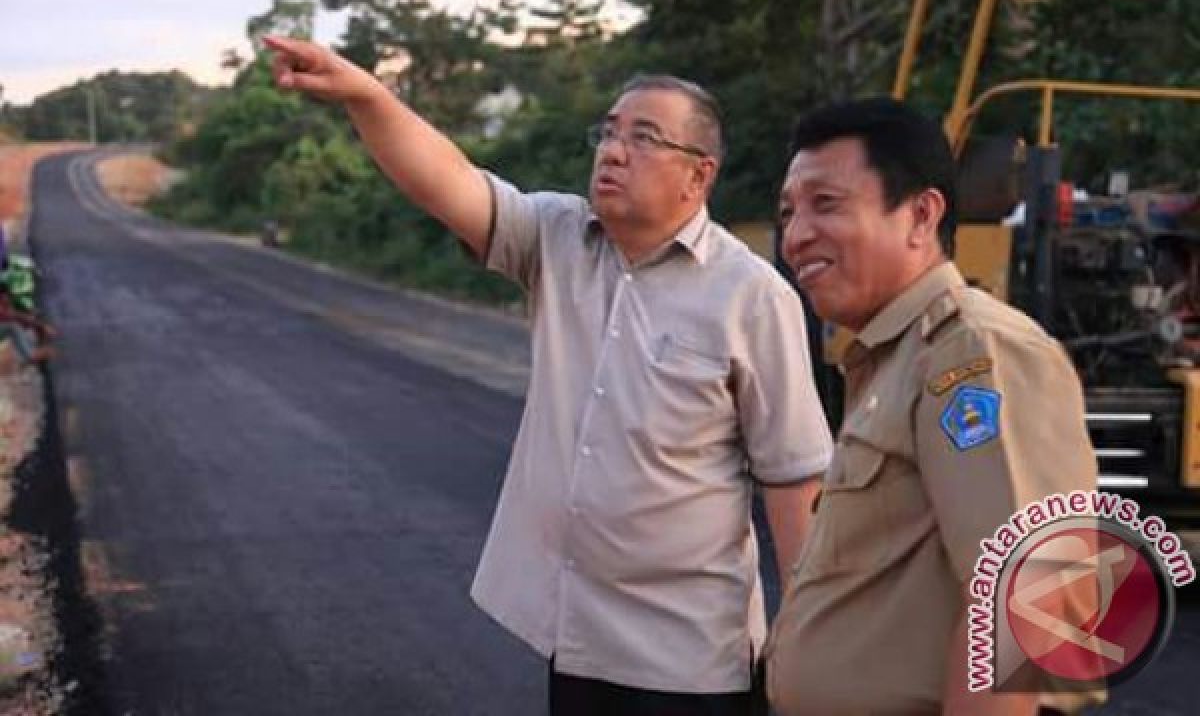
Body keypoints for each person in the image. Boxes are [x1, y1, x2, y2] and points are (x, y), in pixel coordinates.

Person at [265, 35, 833, 714]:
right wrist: (366, 93)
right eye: (610, 131)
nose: (614, 150)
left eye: (645, 138)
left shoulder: (751, 295)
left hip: (690, 661)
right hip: (579, 640)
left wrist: (802, 644)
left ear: (699, 175)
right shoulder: (559, 238)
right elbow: (448, 179)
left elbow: (793, 479)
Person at [766, 98, 1099, 715]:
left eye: (825, 204)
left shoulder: (973, 350)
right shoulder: (894, 359)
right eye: (788, 212)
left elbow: (1023, 591)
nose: (795, 235)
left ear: (921, 214)